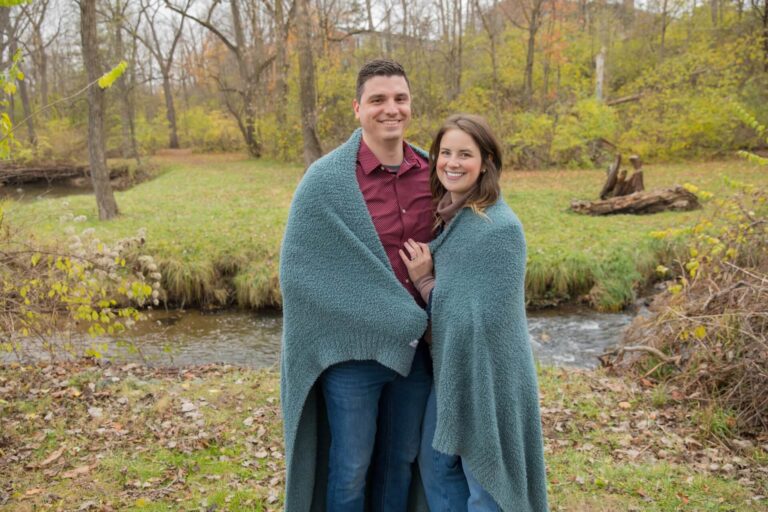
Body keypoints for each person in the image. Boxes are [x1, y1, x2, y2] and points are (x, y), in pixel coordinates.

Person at [279, 59, 434, 511]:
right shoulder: (326, 182)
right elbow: (300, 276)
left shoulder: (432, 171)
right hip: (352, 356)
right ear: (358, 108)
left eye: (400, 99)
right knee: (349, 469)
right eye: (378, 100)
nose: (391, 109)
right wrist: (401, 314)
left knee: (401, 461)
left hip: (416, 351)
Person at [400, 114, 549, 512]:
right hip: (452, 370)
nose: (452, 162)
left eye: (464, 154)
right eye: (445, 153)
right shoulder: (452, 217)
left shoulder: (499, 228)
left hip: (490, 376)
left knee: (485, 482)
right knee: (435, 464)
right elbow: (459, 306)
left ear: (485, 161)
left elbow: (477, 320)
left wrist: (424, 281)